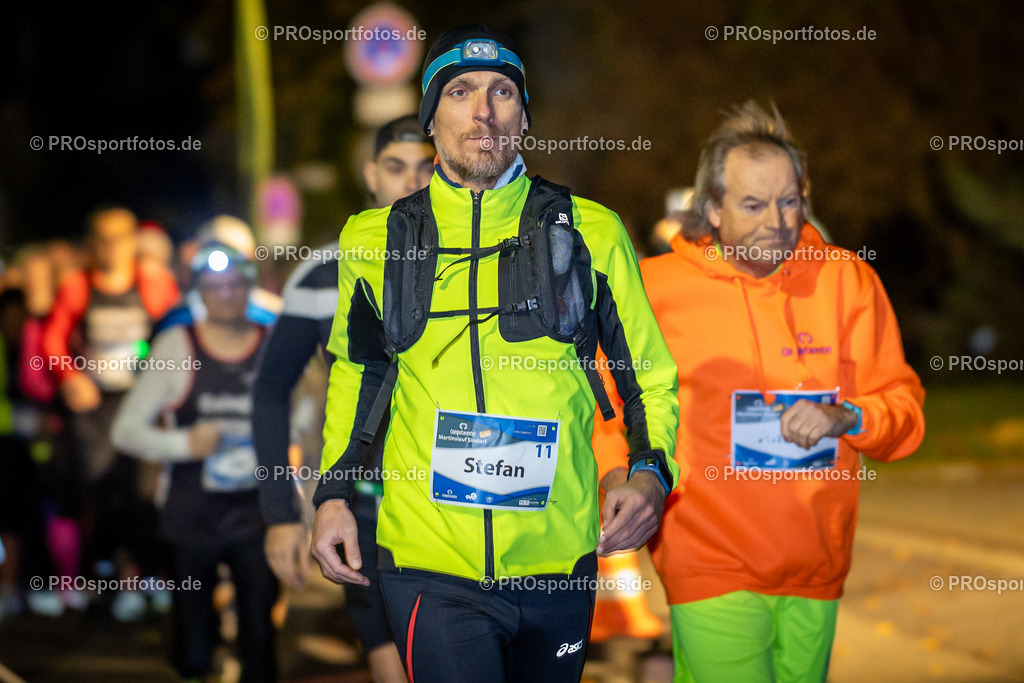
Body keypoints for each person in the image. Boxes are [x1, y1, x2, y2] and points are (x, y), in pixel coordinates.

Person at [308, 25, 680, 683]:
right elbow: (358, 374)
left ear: (524, 115)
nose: (483, 110)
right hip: (428, 560)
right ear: (432, 119)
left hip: (557, 554)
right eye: (460, 91)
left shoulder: (591, 229)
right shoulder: (374, 238)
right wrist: (332, 494)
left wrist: (651, 470)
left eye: (502, 91)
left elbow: (645, 372)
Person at [594, 101, 926, 682]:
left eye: (790, 200)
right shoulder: (654, 289)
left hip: (818, 567)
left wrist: (846, 416)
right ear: (713, 210)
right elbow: (601, 406)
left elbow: (902, 413)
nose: (776, 220)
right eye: (753, 204)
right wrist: (613, 474)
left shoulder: (847, 281)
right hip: (709, 560)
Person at [252, 113, 433, 683]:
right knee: (392, 671)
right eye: (396, 167)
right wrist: (280, 513)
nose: (412, 182)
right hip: (364, 501)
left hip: (454, 501)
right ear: (369, 175)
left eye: (427, 167)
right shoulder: (326, 270)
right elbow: (269, 393)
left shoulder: (483, 260)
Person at [111, 242, 277, 682]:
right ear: (199, 294)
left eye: (235, 285)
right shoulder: (176, 344)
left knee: (260, 637)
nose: (226, 295)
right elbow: (124, 430)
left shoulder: (272, 343)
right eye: (214, 287)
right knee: (194, 645)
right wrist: (185, 444)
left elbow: (305, 420)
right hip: (192, 515)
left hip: (256, 515)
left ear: (250, 288)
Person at [41, 206, 179, 620]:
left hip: (140, 406)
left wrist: (168, 386)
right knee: (101, 494)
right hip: (96, 409)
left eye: (120, 237)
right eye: (102, 238)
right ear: (92, 242)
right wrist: (69, 377)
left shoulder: (154, 284)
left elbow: (178, 332)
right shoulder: (77, 286)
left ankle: (141, 578)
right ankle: (107, 580)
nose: (111, 247)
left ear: (133, 241)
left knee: (143, 494)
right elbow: (52, 340)